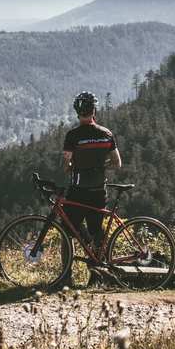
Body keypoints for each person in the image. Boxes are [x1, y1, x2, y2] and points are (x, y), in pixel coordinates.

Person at [62, 91, 122, 255]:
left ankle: (65, 276)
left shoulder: (73, 136)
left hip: (78, 191)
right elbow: (117, 163)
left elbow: (66, 165)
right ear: (94, 111)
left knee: (66, 230)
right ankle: (97, 274)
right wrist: (101, 166)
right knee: (97, 231)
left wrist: (72, 166)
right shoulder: (106, 134)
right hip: (98, 191)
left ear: (77, 112)